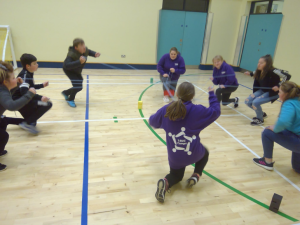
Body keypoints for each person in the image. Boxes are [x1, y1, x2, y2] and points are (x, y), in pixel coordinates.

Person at [149, 82, 220, 203]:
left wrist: (160, 117)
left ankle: (166, 183)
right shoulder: (198, 110)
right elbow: (215, 111)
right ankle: (196, 175)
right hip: (194, 153)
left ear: (177, 94)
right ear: (192, 96)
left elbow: (152, 121)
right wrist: (212, 94)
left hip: (175, 157)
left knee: (176, 176)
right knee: (205, 153)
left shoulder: (167, 109)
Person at [253, 81, 300, 173]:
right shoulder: (298, 101)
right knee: (297, 168)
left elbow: (284, 121)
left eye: (280, 92)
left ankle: (267, 162)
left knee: (267, 132)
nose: (278, 94)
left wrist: (275, 128)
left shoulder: (289, 104)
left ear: (286, 94)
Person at [0, 61, 36, 172]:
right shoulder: (1, 91)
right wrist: (29, 94)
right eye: (14, 78)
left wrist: (17, 85)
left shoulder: (2, 88)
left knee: (3, 122)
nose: (16, 78)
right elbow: (11, 105)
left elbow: (7, 96)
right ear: (6, 81)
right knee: (3, 136)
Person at [12, 54, 52, 134]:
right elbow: (25, 93)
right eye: (34, 63)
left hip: (23, 100)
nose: (37, 65)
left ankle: (7, 120)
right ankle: (26, 123)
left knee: (32, 120)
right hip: (20, 102)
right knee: (47, 104)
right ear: (28, 66)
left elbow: (30, 87)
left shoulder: (28, 73)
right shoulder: (25, 76)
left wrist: (42, 85)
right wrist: (40, 98)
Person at [244, 55, 283, 126]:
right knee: (247, 101)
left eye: (261, 63)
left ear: (267, 64)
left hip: (272, 93)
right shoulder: (259, 71)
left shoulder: (274, 71)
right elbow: (254, 72)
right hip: (262, 90)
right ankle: (262, 114)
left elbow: (287, 76)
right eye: (258, 62)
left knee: (255, 102)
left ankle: (260, 120)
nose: (259, 64)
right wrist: (250, 74)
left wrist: (278, 86)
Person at [62, 38, 100, 107]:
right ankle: (71, 99)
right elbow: (67, 65)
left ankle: (65, 92)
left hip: (77, 70)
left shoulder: (85, 50)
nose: (84, 47)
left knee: (79, 86)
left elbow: (89, 51)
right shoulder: (71, 54)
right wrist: (79, 62)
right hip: (69, 70)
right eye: (81, 45)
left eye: (84, 44)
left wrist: (95, 54)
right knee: (77, 86)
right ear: (76, 48)